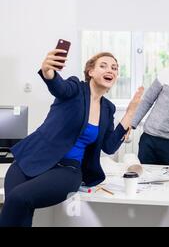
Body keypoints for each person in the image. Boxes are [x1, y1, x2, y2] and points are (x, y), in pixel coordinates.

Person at [0, 49, 143, 227]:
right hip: (33, 157)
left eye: (114, 68)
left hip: (67, 169)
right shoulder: (75, 88)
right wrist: (48, 72)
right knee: (17, 209)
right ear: (90, 72)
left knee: (18, 198)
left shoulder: (108, 109)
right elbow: (59, 86)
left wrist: (130, 111)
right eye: (103, 65)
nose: (110, 70)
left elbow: (109, 146)